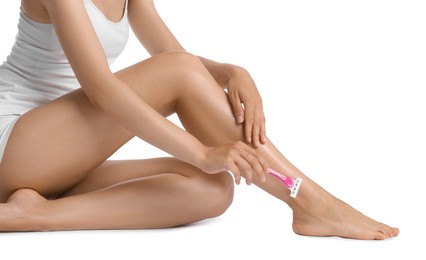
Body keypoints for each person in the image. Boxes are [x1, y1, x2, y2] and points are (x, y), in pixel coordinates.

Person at [0, 0, 398, 239]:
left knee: (211, 188)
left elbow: (174, 57)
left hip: (56, 161)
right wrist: (201, 150)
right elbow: (101, 89)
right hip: (14, 138)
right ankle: (309, 200)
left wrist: (229, 71)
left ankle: (34, 214)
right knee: (183, 86)